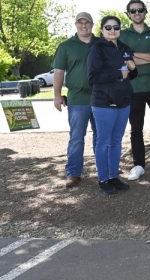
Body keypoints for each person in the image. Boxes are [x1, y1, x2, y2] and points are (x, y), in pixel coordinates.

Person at [88, 16, 138, 195]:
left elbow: (132, 74)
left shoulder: (124, 48)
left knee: (116, 141)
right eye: (108, 27)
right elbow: (92, 78)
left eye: (115, 27)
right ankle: (103, 179)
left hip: (123, 102)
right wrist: (118, 75)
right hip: (103, 103)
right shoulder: (97, 48)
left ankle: (113, 176)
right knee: (103, 142)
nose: (112, 30)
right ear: (101, 30)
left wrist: (133, 69)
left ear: (120, 29)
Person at [119, 0, 150, 181]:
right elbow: (123, 59)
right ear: (128, 14)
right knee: (136, 129)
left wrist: (132, 55)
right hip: (133, 88)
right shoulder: (122, 35)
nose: (137, 13)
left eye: (140, 10)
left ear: (145, 12)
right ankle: (139, 165)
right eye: (133, 11)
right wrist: (149, 57)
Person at [52, 12, 98, 188]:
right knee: (77, 137)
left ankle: (104, 169)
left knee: (101, 136)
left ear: (92, 24)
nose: (84, 25)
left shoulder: (101, 43)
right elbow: (59, 72)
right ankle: (73, 173)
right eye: (80, 22)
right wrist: (57, 95)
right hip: (77, 99)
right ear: (76, 24)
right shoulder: (66, 46)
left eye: (87, 22)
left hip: (100, 97)